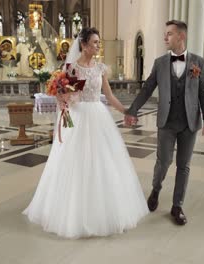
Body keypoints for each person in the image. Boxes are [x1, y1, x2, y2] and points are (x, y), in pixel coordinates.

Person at [23, 27, 148, 239]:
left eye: (99, 42)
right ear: (83, 45)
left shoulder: (100, 68)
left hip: (98, 116)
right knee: (76, 162)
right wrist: (62, 99)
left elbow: (108, 95)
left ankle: (102, 208)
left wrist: (127, 111)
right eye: (95, 42)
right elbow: (63, 95)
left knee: (103, 161)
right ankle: (72, 211)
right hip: (78, 117)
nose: (98, 46)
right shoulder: (71, 68)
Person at [124, 20, 204, 225]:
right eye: (165, 34)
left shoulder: (198, 63)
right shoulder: (160, 63)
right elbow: (147, 88)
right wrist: (132, 110)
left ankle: (177, 206)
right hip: (166, 122)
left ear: (181, 36)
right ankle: (156, 189)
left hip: (190, 123)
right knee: (163, 162)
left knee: (184, 166)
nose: (165, 37)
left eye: (169, 34)